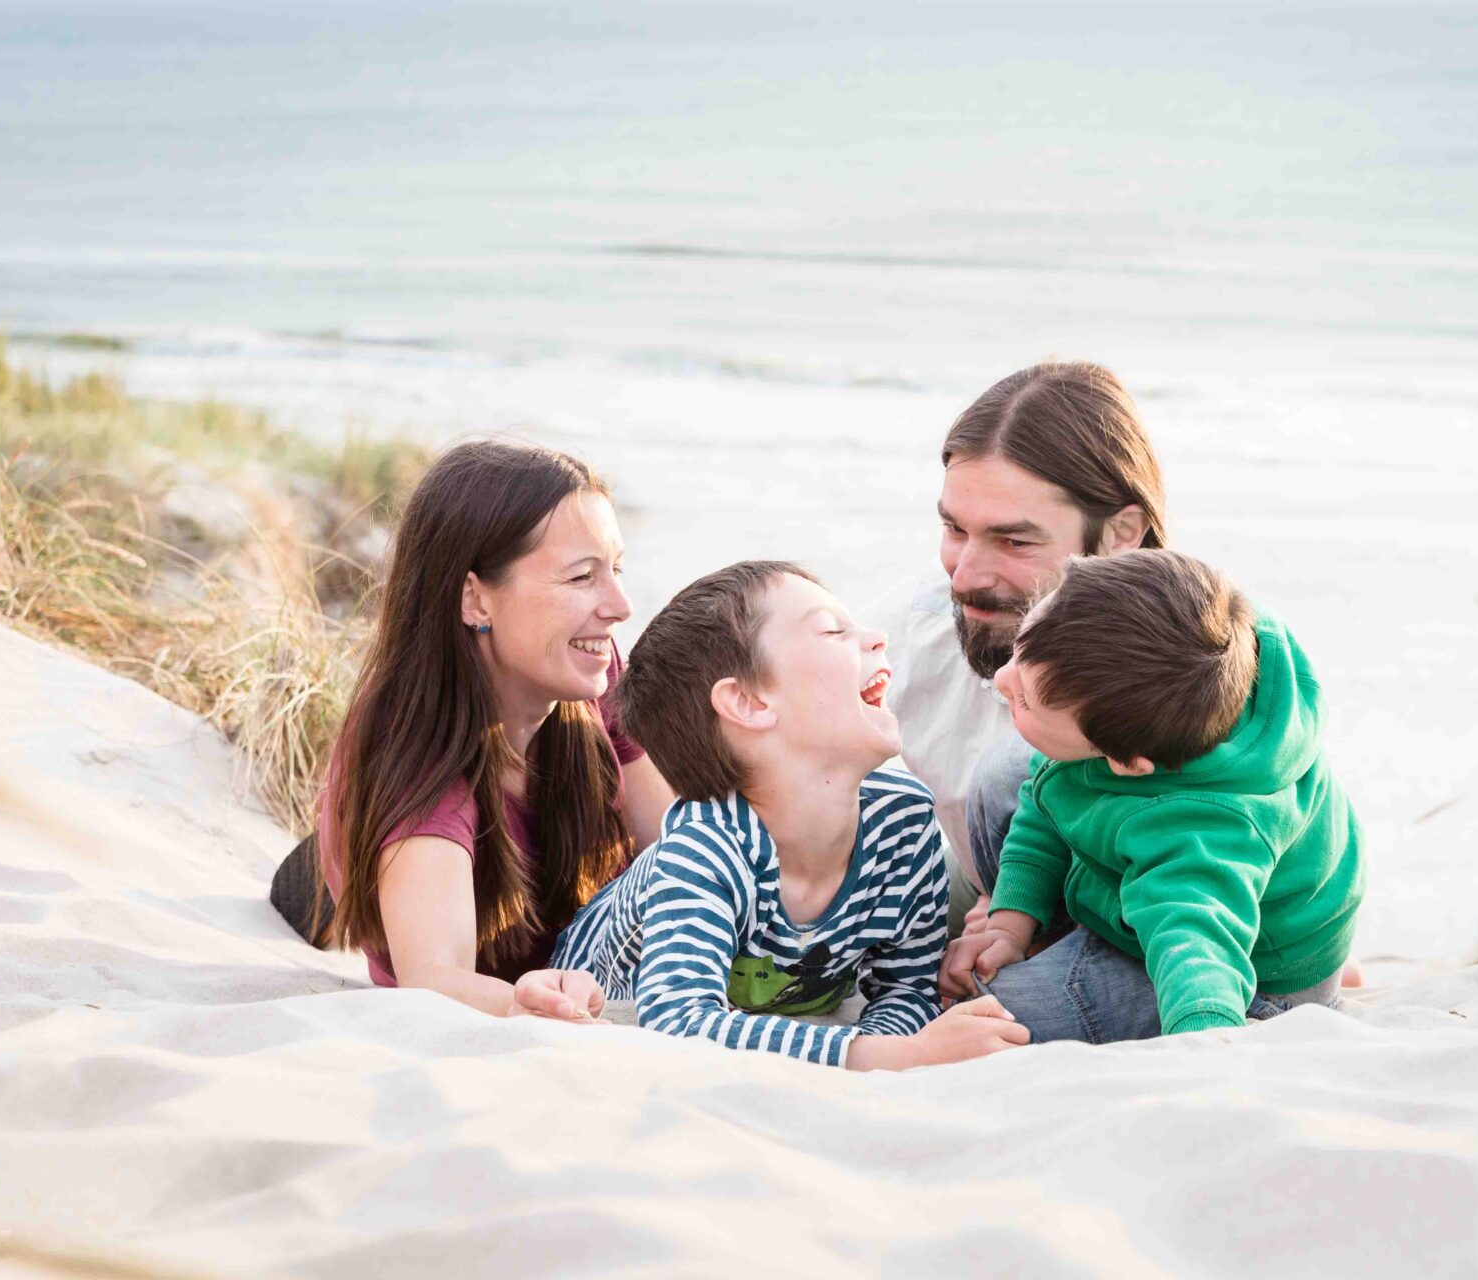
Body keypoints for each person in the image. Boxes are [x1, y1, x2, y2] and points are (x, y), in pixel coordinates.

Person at [549, 561, 1030, 1069]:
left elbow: (907, 989)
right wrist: (882, 1056)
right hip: (593, 998)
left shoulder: (904, 825)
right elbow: (677, 1022)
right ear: (748, 703)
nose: (876, 638)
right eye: (832, 631)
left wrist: (900, 1049)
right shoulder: (706, 849)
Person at [311, 439, 675, 1020]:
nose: (621, 605)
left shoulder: (594, 671)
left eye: (617, 569)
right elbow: (433, 979)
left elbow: (673, 846)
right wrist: (525, 1004)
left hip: (552, 915)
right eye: (582, 577)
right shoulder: (420, 767)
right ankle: (323, 869)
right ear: (475, 598)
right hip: (440, 855)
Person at [939, 550, 1364, 1041]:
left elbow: (1196, 953)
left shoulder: (1199, 837)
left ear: (1124, 762)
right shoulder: (1189, 648)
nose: (1001, 678)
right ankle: (1057, 935)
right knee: (1008, 770)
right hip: (1161, 884)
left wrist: (1207, 1042)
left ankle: (1308, 1003)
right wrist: (1009, 922)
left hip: (1240, 970)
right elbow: (1047, 794)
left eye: (1025, 699)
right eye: (1019, 649)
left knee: (997, 1013)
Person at [875, 362, 1165, 934]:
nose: (965, 578)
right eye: (956, 530)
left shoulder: (1196, 667)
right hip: (969, 886)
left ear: (1122, 533)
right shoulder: (912, 626)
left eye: (1013, 540)